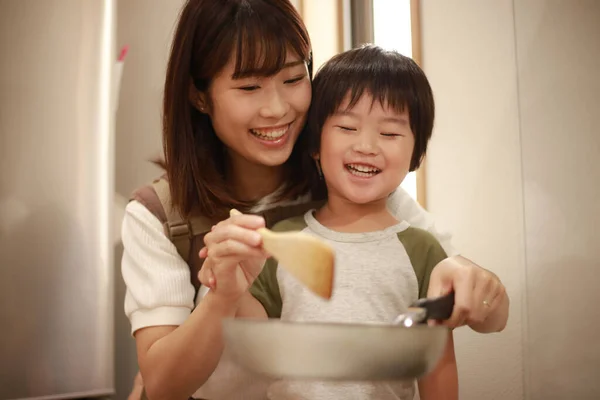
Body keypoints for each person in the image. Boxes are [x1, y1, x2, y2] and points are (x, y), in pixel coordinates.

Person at [121, 1, 508, 399]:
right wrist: (222, 296)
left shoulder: (350, 187)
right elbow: (163, 385)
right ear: (199, 96)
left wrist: (476, 282)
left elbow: (476, 308)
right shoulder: (160, 216)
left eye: (292, 79)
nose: (277, 109)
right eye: (249, 87)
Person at [202, 45, 458, 400]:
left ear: (416, 153)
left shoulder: (423, 250)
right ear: (315, 144)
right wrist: (230, 281)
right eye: (347, 127)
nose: (366, 146)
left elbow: (435, 359)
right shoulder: (284, 239)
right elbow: (255, 335)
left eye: (389, 133)